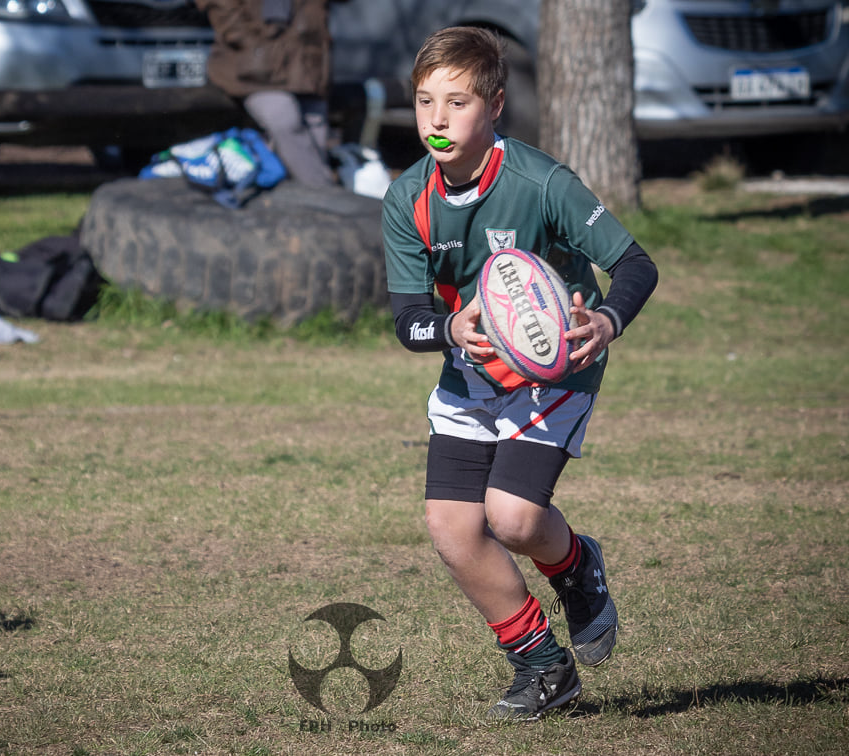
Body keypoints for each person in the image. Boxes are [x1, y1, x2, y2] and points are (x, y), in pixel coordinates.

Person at [382, 26, 658, 722]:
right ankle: (541, 666)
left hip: (555, 368)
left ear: (496, 105)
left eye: (458, 102)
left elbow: (636, 266)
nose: (438, 121)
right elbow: (409, 316)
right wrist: (451, 328)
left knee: (512, 518)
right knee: (452, 528)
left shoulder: (541, 183)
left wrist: (606, 322)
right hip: (469, 375)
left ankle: (575, 569)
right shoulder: (407, 199)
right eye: (424, 103)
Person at [194, 0, 339, 188]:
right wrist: (245, 38)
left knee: (316, 129)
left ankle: (307, 200)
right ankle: (326, 195)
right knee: (284, 119)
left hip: (307, 69)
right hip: (253, 70)